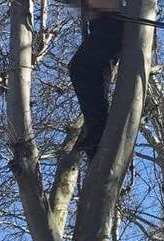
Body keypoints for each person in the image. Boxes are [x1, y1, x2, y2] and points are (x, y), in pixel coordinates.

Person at [68, 0, 124, 159]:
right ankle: (97, 132)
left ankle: (99, 132)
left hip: (114, 22)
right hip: (105, 25)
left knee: (83, 67)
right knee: (86, 69)